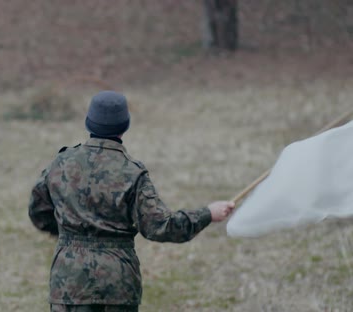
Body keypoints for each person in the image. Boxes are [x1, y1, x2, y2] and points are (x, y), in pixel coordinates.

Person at [28, 91, 235, 312]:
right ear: (124, 126)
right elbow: (161, 227)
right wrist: (207, 214)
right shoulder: (132, 173)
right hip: (118, 286)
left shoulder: (60, 164)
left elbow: (38, 210)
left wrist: (69, 236)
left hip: (69, 283)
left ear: (89, 123)